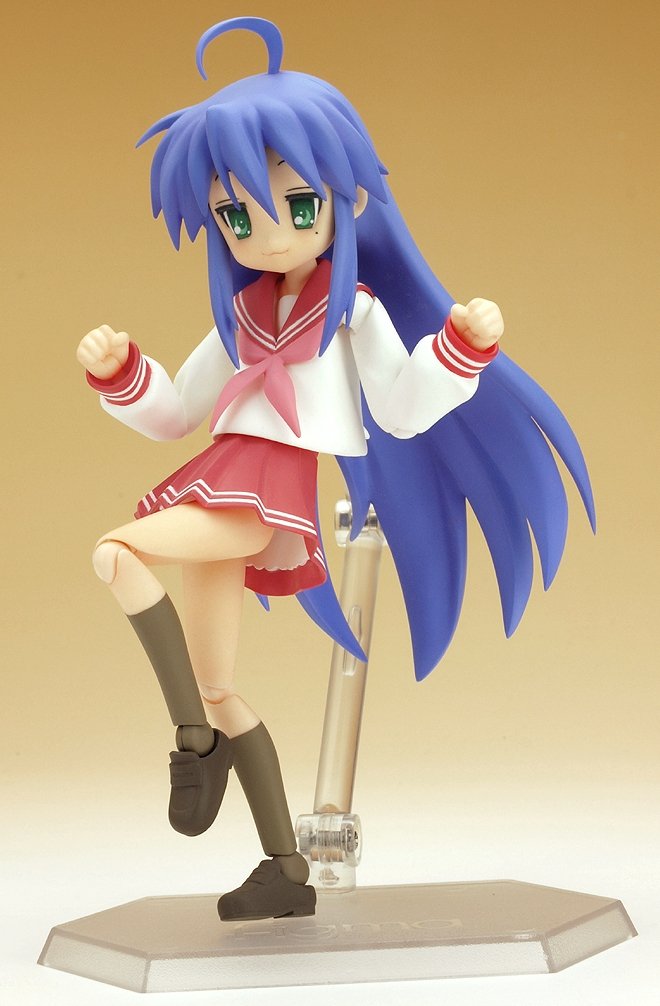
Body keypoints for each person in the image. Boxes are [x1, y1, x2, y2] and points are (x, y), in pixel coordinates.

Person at [76, 16, 594, 922]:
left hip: (266, 492)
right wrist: (121, 371)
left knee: (116, 553)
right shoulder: (241, 316)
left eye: (296, 204)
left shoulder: (350, 311)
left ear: (342, 201)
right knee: (219, 683)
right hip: (219, 473)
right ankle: (284, 865)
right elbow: (177, 411)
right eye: (237, 215)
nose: (267, 233)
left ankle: (192, 745)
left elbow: (399, 405)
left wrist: (459, 353)